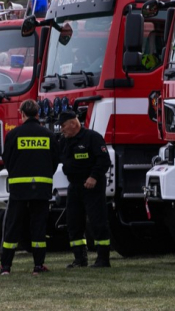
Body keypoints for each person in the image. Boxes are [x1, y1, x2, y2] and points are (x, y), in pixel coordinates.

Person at [0, 100, 59, 276]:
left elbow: (6, 160)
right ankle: (38, 266)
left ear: (22, 114)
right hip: (41, 188)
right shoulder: (48, 135)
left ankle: (6, 267)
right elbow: (55, 160)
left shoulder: (14, 134)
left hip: (18, 189)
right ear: (38, 114)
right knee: (38, 227)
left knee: (12, 227)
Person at [57, 110, 113, 268]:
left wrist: (93, 177)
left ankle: (103, 259)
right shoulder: (64, 141)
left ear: (73, 124)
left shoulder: (92, 137)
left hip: (92, 185)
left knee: (98, 221)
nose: (61, 129)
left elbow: (104, 160)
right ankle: (80, 259)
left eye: (63, 126)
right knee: (73, 222)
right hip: (74, 185)